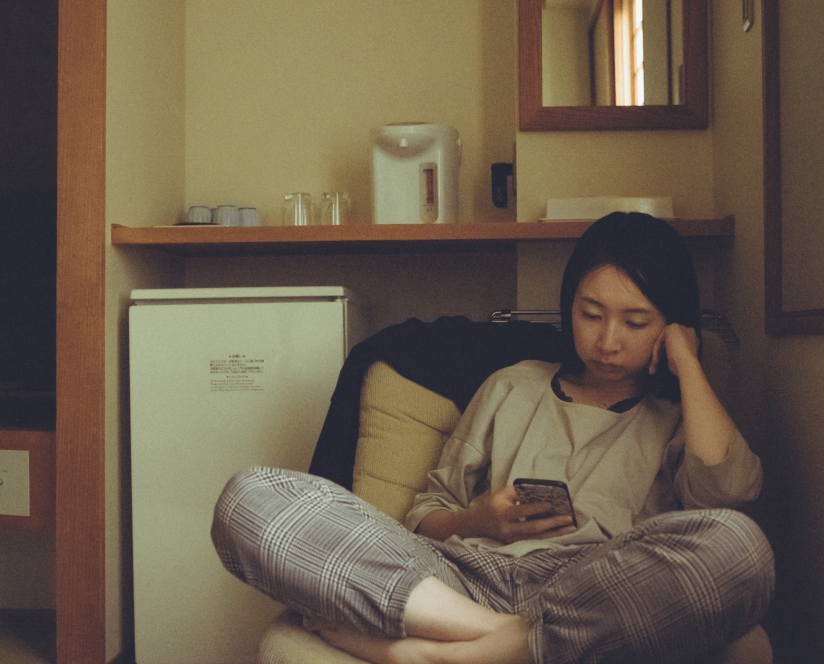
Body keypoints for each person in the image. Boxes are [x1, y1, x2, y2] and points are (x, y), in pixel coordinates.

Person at [212, 212, 775, 664]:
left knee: (742, 548)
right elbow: (425, 512)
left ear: (668, 325)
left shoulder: (677, 417)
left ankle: (448, 656)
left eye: (636, 322)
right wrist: (478, 519)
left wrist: (688, 360)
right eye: (591, 314)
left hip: (596, 591)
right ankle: (504, 639)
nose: (607, 341)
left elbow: (724, 499)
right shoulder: (511, 385)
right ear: (568, 306)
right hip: (457, 583)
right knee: (249, 498)